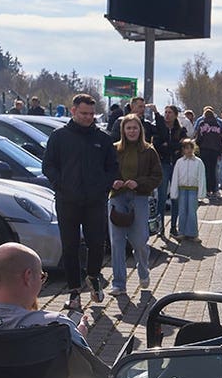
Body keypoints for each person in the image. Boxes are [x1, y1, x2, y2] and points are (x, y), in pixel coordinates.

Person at [0, 242, 110, 378]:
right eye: (41, 276)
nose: (42, 282)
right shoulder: (57, 326)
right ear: (28, 276)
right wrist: (76, 337)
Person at [42, 93, 118, 311]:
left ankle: (93, 276)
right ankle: (74, 292)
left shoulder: (102, 139)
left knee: (97, 244)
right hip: (67, 201)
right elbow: (48, 165)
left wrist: (103, 186)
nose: (88, 118)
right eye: (84, 113)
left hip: (95, 201)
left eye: (92, 114)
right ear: (73, 111)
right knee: (70, 247)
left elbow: (112, 167)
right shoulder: (59, 137)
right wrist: (61, 184)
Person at [108, 114, 161, 296]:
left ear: (140, 130)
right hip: (117, 198)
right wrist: (112, 182)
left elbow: (157, 176)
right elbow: (104, 171)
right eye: (128, 128)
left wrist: (138, 183)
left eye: (135, 128)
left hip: (139, 197)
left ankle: (143, 271)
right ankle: (119, 284)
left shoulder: (149, 151)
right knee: (117, 242)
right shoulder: (114, 149)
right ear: (123, 130)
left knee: (139, 241)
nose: (132, 131)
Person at [153, 105, 186, 237]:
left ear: (175, 115)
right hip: (163, 164)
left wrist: (170, 145)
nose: (167, 115)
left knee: (175, 196)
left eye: (170, 112)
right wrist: (172, 146)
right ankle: (160, 227)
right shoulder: (159, 129)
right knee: (161, 196)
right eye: (165, 112)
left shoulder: (180, 130)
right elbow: (157, 146)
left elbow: (183, 145)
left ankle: (173, 227)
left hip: (177, 165)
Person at [170, 138, 205, 242]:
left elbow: (201, 177)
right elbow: (175, 177)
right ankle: (182, 232)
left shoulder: (198, 162)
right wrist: (174, 192)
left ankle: (193, 234)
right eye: (186, 148)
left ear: (193, 149)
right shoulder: (179, 162)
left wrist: (201, 192)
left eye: (190, 148)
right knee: (182, 211)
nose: (189, 150)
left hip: (193, 189)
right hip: (182, 189)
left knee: (192, 211)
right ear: (183, 150)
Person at [194, 107, 222, 200]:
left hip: (205, 149)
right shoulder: (218, 125)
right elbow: (220, 139)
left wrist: (199, 145)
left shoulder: (202, 124)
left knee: (206, 170)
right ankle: (215, 190)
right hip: (215, 150)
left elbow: (199, 137)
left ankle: (207, 190)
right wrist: (220, 151)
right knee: (213, 170)